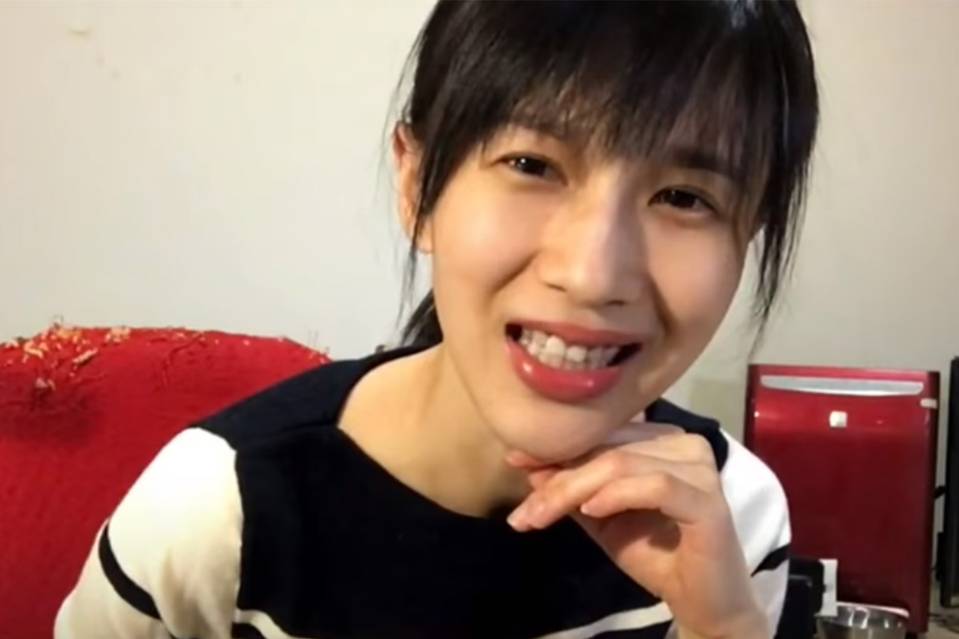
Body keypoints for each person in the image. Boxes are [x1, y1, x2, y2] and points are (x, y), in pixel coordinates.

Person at [55, 1, 819, 638]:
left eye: (684, 198)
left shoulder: (729, 520)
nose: (591, 275)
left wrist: (723, 624)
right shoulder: (217, 514)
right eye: (532, 164)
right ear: (417, 182)